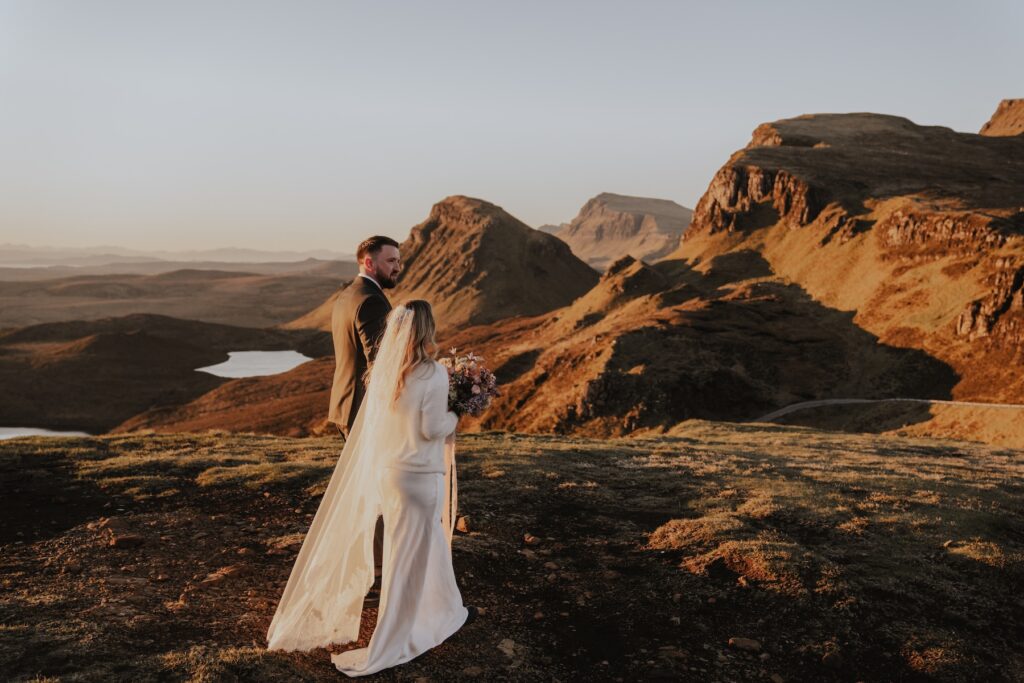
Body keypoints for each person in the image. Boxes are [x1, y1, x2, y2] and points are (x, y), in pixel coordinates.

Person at [266, 300, 478, 676]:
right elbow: (432, 430)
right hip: (420, 477)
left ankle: (445, 610)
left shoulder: (384, 373)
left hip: (390, 475)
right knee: (412, 557)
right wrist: (457, 411)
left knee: (412, 549)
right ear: (428, 329)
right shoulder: (433, 373)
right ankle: (395, 637)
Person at [328, 235, 401, 601]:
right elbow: (379, 365)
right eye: (390, 261)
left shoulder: (346, 296)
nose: (397, 267)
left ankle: (365, 565)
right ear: (369, 263)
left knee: (364, 488)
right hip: (363, 410)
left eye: (398, 261)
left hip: (344, 404)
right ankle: (375, 573)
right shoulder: (372, 300)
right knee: (376, 488)